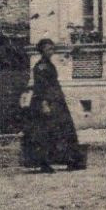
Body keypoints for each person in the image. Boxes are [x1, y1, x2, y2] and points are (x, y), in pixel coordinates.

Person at [20, 39, 85, 173]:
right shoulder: (40, 67)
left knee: (64, 131)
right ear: (42, 50)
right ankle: (44, 163)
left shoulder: (49, 65)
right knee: (45, 133)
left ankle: (70, 161)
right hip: (47, 102)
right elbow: (40, 87)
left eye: (52, 48)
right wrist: (44, 104)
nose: (51, 51)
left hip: (57, 101)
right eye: (48, 49)